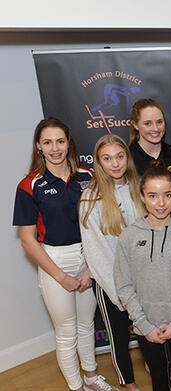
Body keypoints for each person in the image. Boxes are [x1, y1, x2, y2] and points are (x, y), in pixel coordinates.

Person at [13, 118, 118, 391]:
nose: (55, 148)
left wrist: (89, 270)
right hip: (54, 262)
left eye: (60, 141)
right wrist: (61, 276)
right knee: (67, 332)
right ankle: (76, 387)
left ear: (68, 142)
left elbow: (101, 225)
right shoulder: (29, 185)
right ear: (39, 146)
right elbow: (27, 239)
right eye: (47, 142)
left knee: (86, 326)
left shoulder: (88, 176)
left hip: (88, 259)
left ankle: (92, 379)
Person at [114, 161, 171, 391]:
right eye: (153, 196)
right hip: (147, 327)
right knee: (158, 376)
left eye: (167, 195)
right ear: (142, 197)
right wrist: (143, 324)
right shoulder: (129, 236)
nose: (161, 203)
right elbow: (124, 285)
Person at [79, 134, 146, 391]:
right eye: (107, 158)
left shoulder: (138, 186)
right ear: (98, 162)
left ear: (127, 157)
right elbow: (97, 253)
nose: (115, 164)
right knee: (118, 338)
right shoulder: (90, 199)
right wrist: (120, 293)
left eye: (119, 156)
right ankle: (129, 384)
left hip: (143, 279)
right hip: (111, 285)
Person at [128, 98, 171, 175]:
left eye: (159, 122)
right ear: (135, 125)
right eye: (148, 123)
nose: (155, 128)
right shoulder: (127, 159)